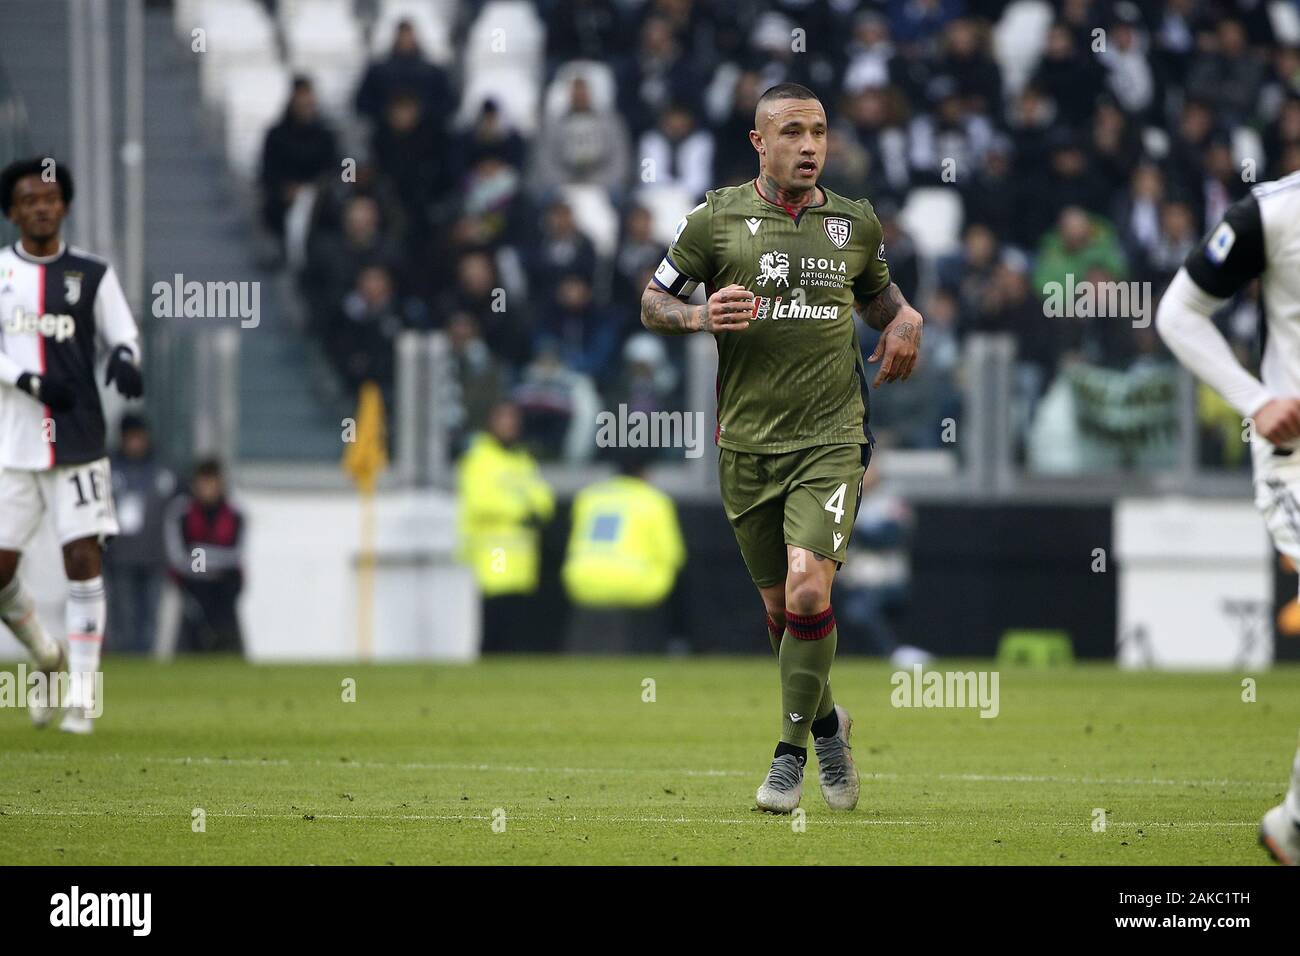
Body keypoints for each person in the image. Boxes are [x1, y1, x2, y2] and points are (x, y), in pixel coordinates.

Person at [639, 83, 923, 813]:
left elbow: (882, 301)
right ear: (758, 142)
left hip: (830, 440)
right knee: (782, 613)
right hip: (747, 448)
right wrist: (699, 316)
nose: (809, 145)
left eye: (819, 131)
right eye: (791, 131)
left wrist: (907, 321)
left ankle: (790, 755)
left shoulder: (854, 225)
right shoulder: (716, 218)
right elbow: (652, 301)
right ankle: (829, 723)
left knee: (807, 589)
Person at [1154, 170, 1300, 864]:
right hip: (1295, 457)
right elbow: (1178, 315)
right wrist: (1255, 400)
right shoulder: (1268, 216)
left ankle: (1294, 825)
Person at [0, 157, 144, 733]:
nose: (42, 206)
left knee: (84, 559)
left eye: (51, 198)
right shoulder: (1, 274)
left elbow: (123, 333)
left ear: (65, 206)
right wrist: (29, 381)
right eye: (30, 198)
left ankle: (83, 699)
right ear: (12, 211)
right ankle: (46, 655)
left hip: (79, 439)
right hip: (12, 441)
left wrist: (129, 361)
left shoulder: (92, 273)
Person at [562, 448, 685, 653]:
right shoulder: (655, 501)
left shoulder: (589, 497)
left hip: (583, 581)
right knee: (670, 575)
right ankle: (675, 644)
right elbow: (673, 555)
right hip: (634, 585)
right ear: (644, 473)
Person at [455, 401, 554, 651]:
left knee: (515, 619)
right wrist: (522, 510)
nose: (509, 425)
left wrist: (534, 510)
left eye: (513, 420)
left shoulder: (522, 460)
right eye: (504, 420)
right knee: (495, 614)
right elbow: (480, 502)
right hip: (495, 551)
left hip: (521, 557)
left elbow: (543, 498)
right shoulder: (480, 458)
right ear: (491, 423)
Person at [105, 414, 174, 654]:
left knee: (151, 615)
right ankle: (124, 658)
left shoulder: (162, 470)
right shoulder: (108, 469)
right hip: (119, 556)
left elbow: (180, 514)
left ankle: (146, 658)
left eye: (139, 437)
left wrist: (194, 562)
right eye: (131, 438)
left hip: (154, 556)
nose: (136, 443)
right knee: (123, 613)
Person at [164, 459, 245, 654]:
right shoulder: (182, 512)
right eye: (204, 483)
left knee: (227, 640)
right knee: (191, 640)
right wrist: (204, 563)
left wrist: (200, 554)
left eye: (212, 483)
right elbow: (177, 556)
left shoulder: (235, 514)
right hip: (193, 586)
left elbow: (236, 554)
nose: (208, 489)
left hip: (225, 586)